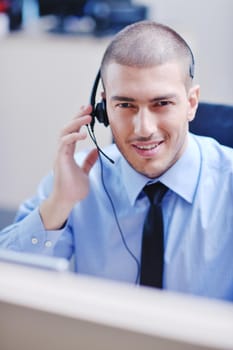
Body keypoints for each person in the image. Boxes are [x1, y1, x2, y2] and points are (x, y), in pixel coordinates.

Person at [1, 20, 233, 302]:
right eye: (125, 105)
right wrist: (58, 205)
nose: (144, 128)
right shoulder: (78, 178)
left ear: (191, 103)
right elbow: (8, 283)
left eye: (162, 103)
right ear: (103, 109)